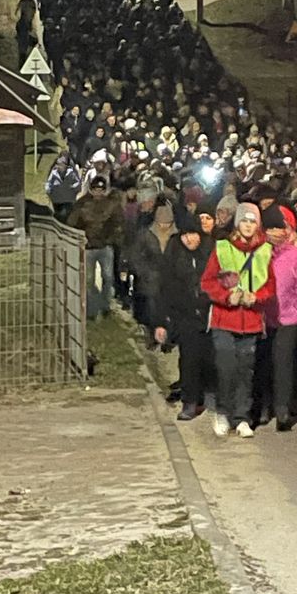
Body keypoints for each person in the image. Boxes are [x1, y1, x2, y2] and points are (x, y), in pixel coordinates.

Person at [201, 202, 276, 439]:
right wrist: (226, 297)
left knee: (246, 370)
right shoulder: (222, 248)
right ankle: (223, 412)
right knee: (226, 368)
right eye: (244, 220)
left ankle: (241, 417)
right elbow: (208, 282)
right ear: (237, 223)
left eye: (253, 221)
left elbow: (270, 285)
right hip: (224, 319)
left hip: (251, 320)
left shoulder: (265, 250)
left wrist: (257, 297)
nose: (248, 225)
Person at [262, 204, 297, 431]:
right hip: (262, 317)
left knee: (283, 363)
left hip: (288, 318)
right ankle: (264, 406)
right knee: (264, 363)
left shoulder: (293, 255)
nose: (277, 232)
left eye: (280, 227)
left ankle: (282, 409)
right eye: (271, 228)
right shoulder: (258, 253)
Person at [161, 209, 215, 420]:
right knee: (189, 359)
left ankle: (207, 396)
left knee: (209, 358)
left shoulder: (210, 250)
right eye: (185, 235)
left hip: (209, 313)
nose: (190, 239)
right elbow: (166, 285)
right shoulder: (174, 253)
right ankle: (190, 401)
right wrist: (165, 318)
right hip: (185, 314)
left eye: (193, 234)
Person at [68, 175, 124, 319]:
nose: (98, 192)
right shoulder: (81, 204)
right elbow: (72, 223)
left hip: (105, 247)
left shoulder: (112, 204)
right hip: (88, 247)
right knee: (89, 280)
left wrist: (111, 240)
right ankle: (92, 309)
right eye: (95, 189)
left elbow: (118, 223)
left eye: (101, 190)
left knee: (108, 277)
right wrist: (81, 238)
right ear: (91, 190)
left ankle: (105, 305)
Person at [129, 198, 177, 348]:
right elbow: (135, 256)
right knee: (152, 309)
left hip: (171, 279)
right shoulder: (146, 234)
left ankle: (168, 339)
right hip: (150, 279)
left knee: (170, 309)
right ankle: (152, 336)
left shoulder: (176, 236)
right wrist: (145, 272)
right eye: (161, 223)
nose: (164, 226)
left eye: (167, 223)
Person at [45, 152, 82, 221]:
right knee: (58, 215)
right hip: (56, 199)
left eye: (62, 164)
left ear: (66, 165)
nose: (59, 166)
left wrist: (72, 189)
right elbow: (49, 183)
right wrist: (48, 191)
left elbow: (78, 183)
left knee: (64, 215)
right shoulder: (53, 172)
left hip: (68, 199)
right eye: (58, 164)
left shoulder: (72, 172)